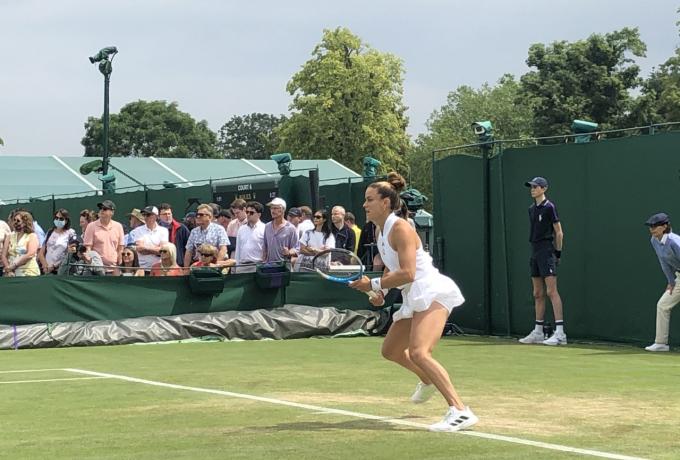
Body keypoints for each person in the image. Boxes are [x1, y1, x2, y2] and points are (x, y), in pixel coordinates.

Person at [349, 172, 476, 433]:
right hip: (411, 294)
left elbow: (408, 273)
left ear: (386, 202)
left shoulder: (401, 228)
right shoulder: (379, 230)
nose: (365, 205)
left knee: (419, 352)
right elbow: (390, 269)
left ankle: (460, 411)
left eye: (369, 199)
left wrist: (372, 284)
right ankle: (427, 379)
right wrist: (380, 292)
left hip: (430, 291)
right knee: (391, 350)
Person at [518, 177, 566, 346]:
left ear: (544, 189)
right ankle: (538, 332)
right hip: (535, 251)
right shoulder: (531, 209)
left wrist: (557, 253)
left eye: (535, 187)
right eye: (531, 186)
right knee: (537, 293)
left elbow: (559, 233)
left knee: (552, 291)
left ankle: (560, 333)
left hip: (547, 251)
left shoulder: (549, 207)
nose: (532, 189)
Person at [644, 212, 679, 352]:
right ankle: (661, 343)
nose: (652, 229)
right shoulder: (654, 241)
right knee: (663, 305)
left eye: (655, 226)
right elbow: (663, 262)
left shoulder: (674, 241)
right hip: (679, 277)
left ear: (664, 226)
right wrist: (671, 281)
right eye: (650, 226)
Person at [82, 200, 125, 274]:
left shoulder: (118, 226)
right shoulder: (91, 226)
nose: (101, 210)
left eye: (105, 209)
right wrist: (91, 263)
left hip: (113, 271)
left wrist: (119, 267)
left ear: (112, 212)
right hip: (95, 271)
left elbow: (120, 249)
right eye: (100, 208)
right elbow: (88, 248)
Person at [128, 206, 169, 271]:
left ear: (156, 216)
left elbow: (163, 251)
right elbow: (140, 249)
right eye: (144, 214)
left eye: (148, 214)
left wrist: (146, 248)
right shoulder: (137, 230)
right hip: (141, 269)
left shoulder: (164, 231)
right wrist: (156, 249)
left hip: (158, 269)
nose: (145, 217)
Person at [1, 210, 40, 277]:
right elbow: (4, 255)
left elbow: (30, 254)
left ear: (25, 222)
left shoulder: (32, 236)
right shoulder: (9, 236)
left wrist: (14, 265)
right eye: (14, 220)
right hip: (12, 274)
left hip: (29, 273)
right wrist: (9, 269)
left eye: (18, 221)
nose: (15, 222)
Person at [38, 208, 76, 274]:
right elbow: (41, 252)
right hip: (46, 270)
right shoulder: (50, 232)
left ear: (66, 220)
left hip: (60, 271)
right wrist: (45, 265)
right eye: (56, 218)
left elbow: (70, 253)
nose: (58, 220)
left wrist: (54, 266)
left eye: (61, 219)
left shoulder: (71, 233)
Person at [262, 198, 299, 264]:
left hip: (284, 267)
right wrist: (263, 261)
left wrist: (289, 252)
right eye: (271, 208)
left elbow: (296, 248)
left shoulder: (291, 228)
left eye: (275, 208)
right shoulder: (267, 226)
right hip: (268, 267)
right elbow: (265, 247)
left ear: (283, 210)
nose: (272, 211)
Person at [232, 201, 265, 273]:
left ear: (259, 214)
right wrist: (237, 267)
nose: (248, 214)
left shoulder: (265, 228)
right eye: (247, 212)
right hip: (242, 266)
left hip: (258, 266)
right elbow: (238, 250)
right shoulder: (241, 229)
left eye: (251, 212)